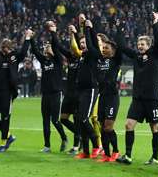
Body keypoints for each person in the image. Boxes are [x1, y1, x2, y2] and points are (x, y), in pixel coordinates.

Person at [115, 12, 158, 165]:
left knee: (154, 127)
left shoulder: (155, 55)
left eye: (143, 44)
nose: (140, 46)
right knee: (128, 125)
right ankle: (128, 156)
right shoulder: (136, 56)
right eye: (139, 44)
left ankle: (155, 157)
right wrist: (119, 29)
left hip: (152, 99)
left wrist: (155, 24)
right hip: (137, 99)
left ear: (149, 46)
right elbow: (122, 46)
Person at [29, 21, 69, 153]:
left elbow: (56, 45)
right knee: (45, 121)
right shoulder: (44, 60)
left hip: (56, 93)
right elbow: (34, 50)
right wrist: (31, 38)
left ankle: (64, 138)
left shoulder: (57, 60)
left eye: (48, 46)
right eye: (45, 46)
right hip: (45, 94)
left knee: (55, 120)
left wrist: (53, 32)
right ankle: (47, 146)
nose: (46, 48)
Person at [71, 16, 102, 159]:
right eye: (81, 43)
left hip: (91, 89)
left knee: (84, 119)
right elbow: (78, 45)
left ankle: (96, 146)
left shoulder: (93, 54)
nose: (82, 45)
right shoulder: (83, 55)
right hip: (81, 90)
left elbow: (92, 42)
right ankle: (86, 151)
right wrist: (80, 27)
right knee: (79, 119)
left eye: (84, 43)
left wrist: (88, 27)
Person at [95, 21, 123, 163]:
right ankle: (106, 154)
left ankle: (116, 151)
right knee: (101, 125)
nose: (104, 50)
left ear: (113, 50)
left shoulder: (115, 60)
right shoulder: (99, 60)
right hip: (103, 97)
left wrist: (118, 28)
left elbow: (119, 44)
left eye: (107, 48)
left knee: (108, 126)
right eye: (103, 48)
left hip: (112, 98)